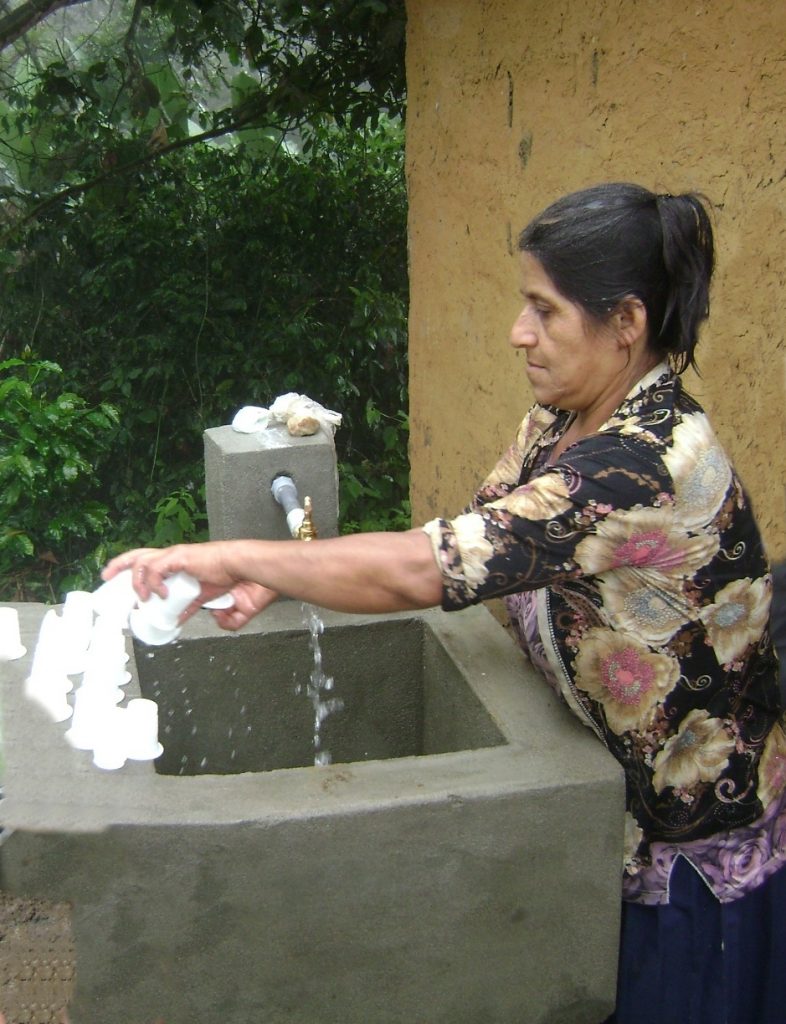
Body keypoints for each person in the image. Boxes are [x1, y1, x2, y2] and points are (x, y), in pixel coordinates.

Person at [103, 183, 786, 1024]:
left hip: (691, 875)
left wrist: (235, 556)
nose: (519, 332)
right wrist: (287, 574)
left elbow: (427, 570)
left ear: (626, 323)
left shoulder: (641, 466)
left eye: (545, 310)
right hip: (611, 825)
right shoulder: (561, 424)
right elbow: (470, 538)